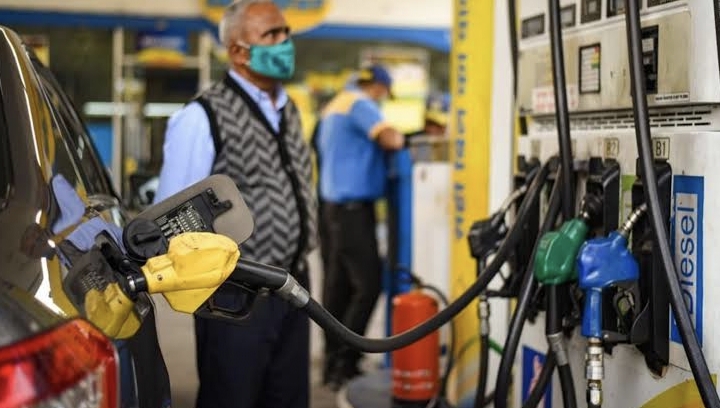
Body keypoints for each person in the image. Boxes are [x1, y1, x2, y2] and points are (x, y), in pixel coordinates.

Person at [153, 1, 317, 407]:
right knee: (232, 398)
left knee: (289, 399)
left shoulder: (289, 109)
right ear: (239, 52)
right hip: (235, 299)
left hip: (292, 289)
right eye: (271, 34)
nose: (285, 42)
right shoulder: (202, 116)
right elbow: (171, 219)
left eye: (286, 32)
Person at [316, 65, 405, 389]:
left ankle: (332, 366)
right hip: (353, 211)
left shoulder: (335, 104)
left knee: (338, 289)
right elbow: (391, 139)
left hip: (331, 210)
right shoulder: (360, 103)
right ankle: (346, 362)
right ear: (379, 86)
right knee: (368, 285)